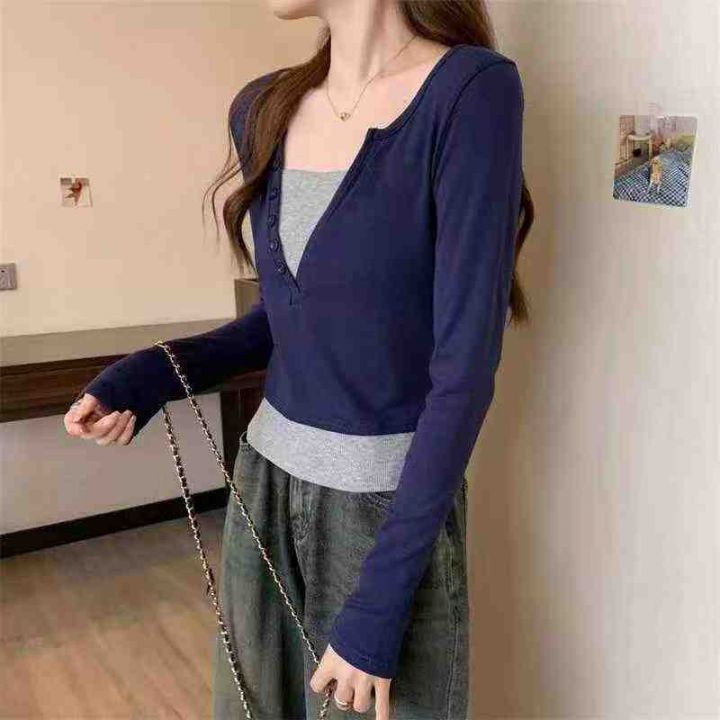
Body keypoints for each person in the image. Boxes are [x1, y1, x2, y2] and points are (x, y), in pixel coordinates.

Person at [64, 1, 534, 717]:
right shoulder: (264, 109)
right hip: (264, 488)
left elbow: (464, 375)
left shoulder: (471, 92)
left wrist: (380, 605)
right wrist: (150, 375)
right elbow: (289, 321)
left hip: (382, 513)